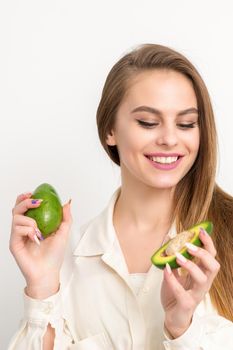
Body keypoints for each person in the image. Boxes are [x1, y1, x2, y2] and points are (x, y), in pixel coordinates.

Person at [8, 44, 233, 350]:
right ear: (109, 130)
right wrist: (42, 285)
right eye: (148, 122)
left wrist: (182, 329)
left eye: (186, 123)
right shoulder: (68, 260)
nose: (169, 138)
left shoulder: (228, 234)